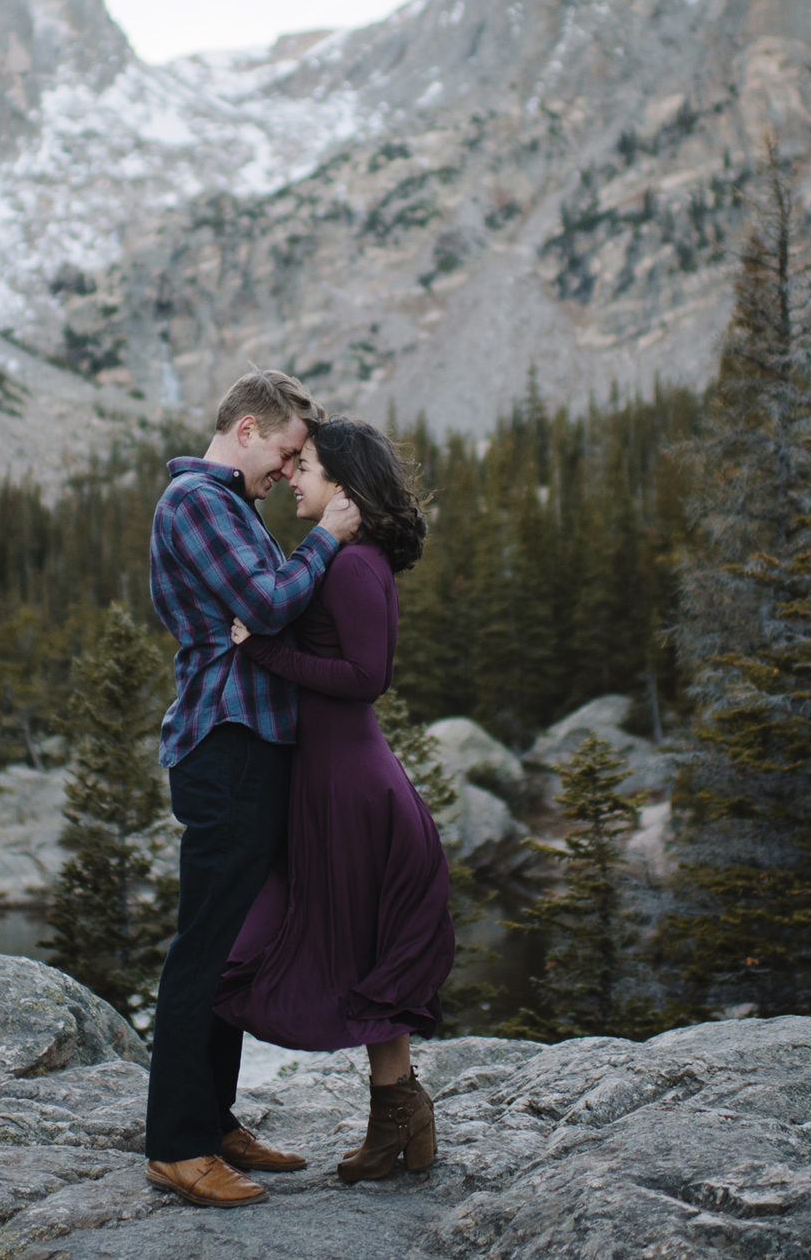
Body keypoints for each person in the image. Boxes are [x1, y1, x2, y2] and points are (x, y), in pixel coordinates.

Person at [142, 369, 362, 1210]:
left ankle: (213, 1118)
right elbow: (268, 606)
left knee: (235, 942)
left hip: (250, 743)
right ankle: (175, 1145)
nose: (287, 469)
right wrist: (331, 534)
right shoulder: (197, 504)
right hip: (224, 745)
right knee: (206, 943)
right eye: (284, 450)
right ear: (243, 431)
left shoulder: (228, 506)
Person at [217, 415, 452, 1182]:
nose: (293, 475)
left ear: (344, 484)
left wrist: (267, 650)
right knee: (369, 947)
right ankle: (400, 1118)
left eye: (307, 465)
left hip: (352, 788)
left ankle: (396, 1121)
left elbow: (365, 678)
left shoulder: (353, 566)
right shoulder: (351, 556)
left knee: (281, 944)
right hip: (338, 783)